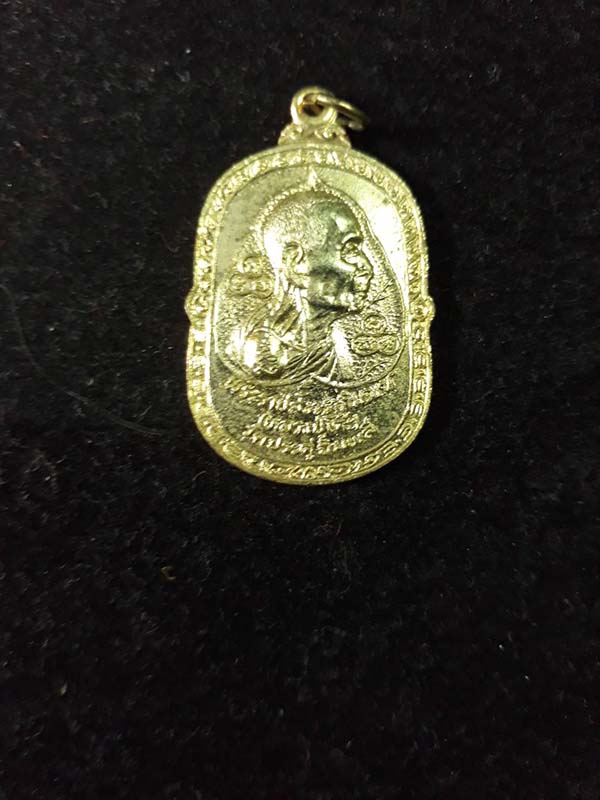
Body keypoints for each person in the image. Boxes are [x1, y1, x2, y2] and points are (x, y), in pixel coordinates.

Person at [226, 184, 375, 385]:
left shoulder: (335, 344)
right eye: (350, 249)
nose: (367, 267)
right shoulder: (259, 352)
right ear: (296, 264)